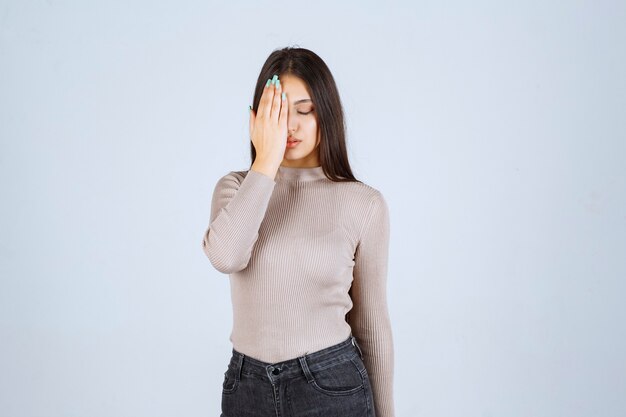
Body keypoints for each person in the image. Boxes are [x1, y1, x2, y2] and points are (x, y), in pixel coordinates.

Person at [201, 46, 394, 417]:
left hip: (331, 385)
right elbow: (226, 256)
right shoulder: (236, 189)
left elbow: (372, 327)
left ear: (327, 114)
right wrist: (266, 162)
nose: (290, 126)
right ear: (257, 120)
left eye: (304, 111)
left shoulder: (362, 203)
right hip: (247, 388)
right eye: (278, 113)